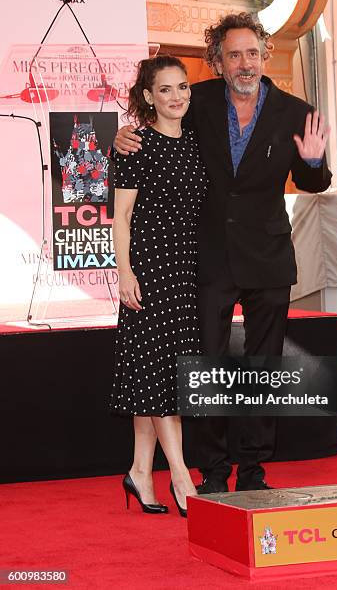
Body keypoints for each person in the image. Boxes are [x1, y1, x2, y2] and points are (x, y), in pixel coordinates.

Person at [114, 13, 332, 495]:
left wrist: (314, 160)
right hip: (207, 257)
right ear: (218, 61)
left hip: (269, 257)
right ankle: (213, 467)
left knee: (263, 366)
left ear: (264, 55)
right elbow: (156, 123)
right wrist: (122, 135)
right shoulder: (199, 100)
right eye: (233, 54)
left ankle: (253, 467)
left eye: (252, 53)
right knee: (207, 365)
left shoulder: (297, 112)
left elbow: (316, 182)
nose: (244, 63)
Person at [110, 55, 208, 517]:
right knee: (161, 377)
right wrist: (124, 273)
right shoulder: (133, 147)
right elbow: (122, 219)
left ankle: (140, 472)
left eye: (183, 87)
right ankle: (183, 477)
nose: (177, 97)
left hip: (184, 274)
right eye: (165, 89)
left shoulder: (193, 143)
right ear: (148, 97)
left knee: (154, 375)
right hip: (147, 273)